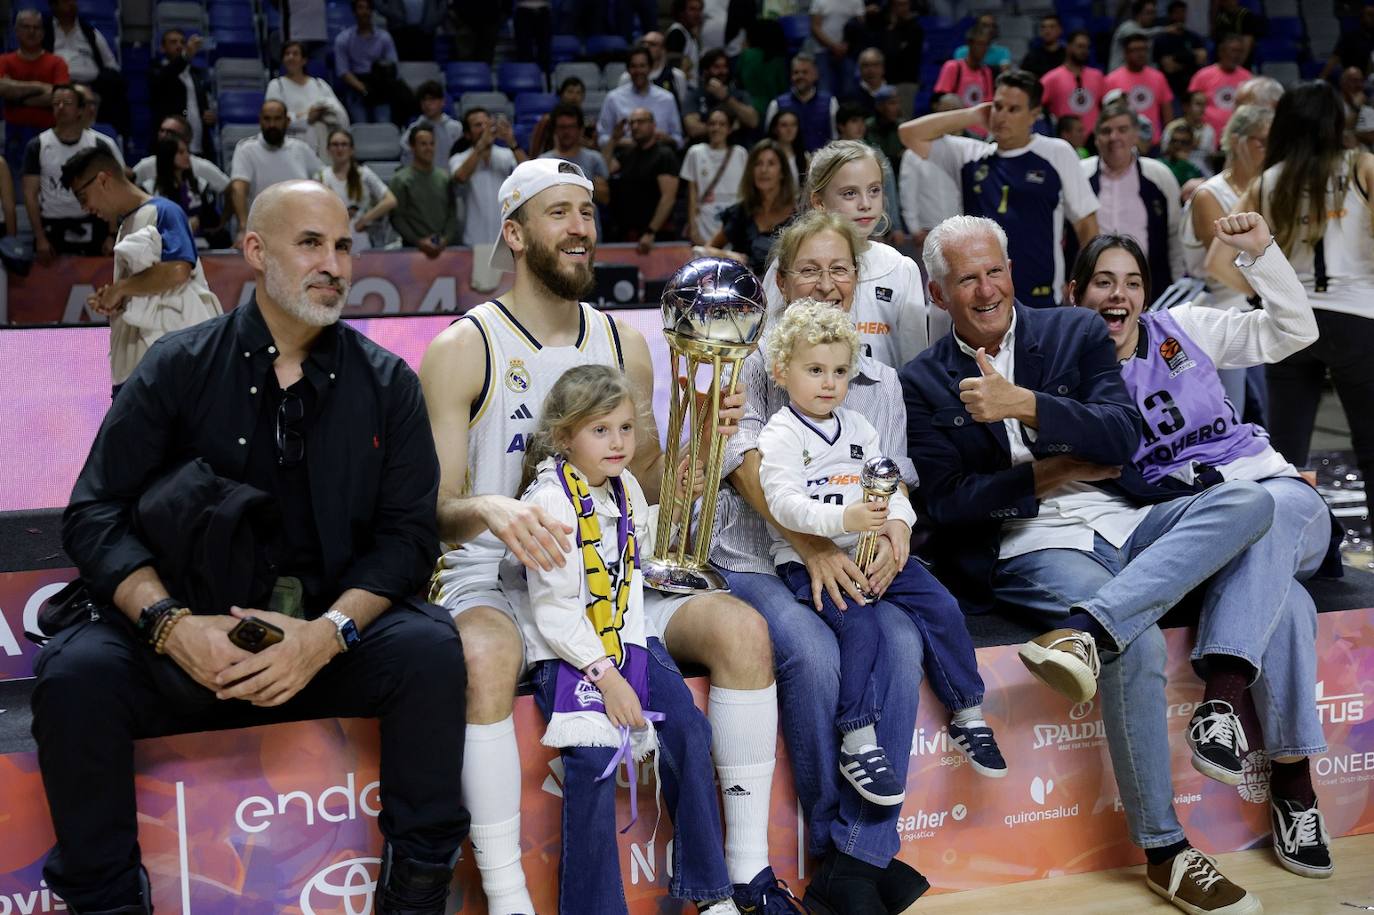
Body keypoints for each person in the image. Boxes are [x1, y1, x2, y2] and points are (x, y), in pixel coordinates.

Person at [34, 178, 469, 915]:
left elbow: (407, 539)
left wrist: (326, 637)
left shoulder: (387, 383)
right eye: (310, 244)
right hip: (183, 639)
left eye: (342, 245)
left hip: (321, 645)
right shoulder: (176, 365)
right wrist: (171, 627)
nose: (333, 263)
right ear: (256, 252)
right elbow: (94, 514)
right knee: (75, 674)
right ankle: (106, 900)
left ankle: (418, 891)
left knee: (427, 649)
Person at [420, 158, 789, 915]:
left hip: (614, 568)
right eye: (559, 214)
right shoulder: (464, 347)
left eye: (586, 213)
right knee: (484, 653)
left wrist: (701, 448)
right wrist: (493, 508)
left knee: (744, 632)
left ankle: (742, 880)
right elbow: (436, 509)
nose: (581, 229)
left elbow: (648, 487)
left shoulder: (625, 341)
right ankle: (509, 897)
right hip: (498, 570)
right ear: (515, 234)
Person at [901, 214, 1280, 915]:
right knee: (1132, 646)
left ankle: (1090, 628)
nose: (987, 289)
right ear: (936, 290)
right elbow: (949, 506)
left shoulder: (1071, 332)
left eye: (996, 270)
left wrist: (1027, 407)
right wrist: (1050, 473)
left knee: (1253, 506)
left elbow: (1121, 434)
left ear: (1013, 269)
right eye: (967, 278)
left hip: (1128, 517)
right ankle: (1167, 851)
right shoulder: (921, 381)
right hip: (1031, 542)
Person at [1069, 219, 1336, 880]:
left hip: (1275, 491)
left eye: (1131, 282)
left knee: (1268, 508)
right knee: (1290, 607)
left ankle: (1222, 697)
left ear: (1145, 295)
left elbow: (1296, 332)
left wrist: (1263, 253)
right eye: (1103, 281)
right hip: (1204, 522)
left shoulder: (1185, 325)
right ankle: (1293, 786)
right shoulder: (1071, 371)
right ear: (1078, 293)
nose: (1117, 293)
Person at [711, 211, 933, 913]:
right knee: (811, 648)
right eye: (810, 268)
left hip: (848, 551)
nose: (827, 282)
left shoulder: (879, 381)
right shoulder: (752, 360)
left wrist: (893, 539)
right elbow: (741, 465)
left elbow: (889, 482)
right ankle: (849, 855)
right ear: (780, 280)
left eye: (841, 268)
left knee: (901, 639)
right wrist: (809, 545)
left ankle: (857, 861)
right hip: (757, 555)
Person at [509, 364, 740, 915]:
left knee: (688, 727)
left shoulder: (628, 486)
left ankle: (712, 895)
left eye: (625, 428)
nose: (618, 443)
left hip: (626, 639)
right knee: (593, 763)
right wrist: (609, 678)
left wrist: (631, 660)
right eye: (600, 430)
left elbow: (633, 566)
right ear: (565, 437)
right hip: (567, 651)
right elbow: (556, 613)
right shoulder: (550, 502)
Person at [759, 299, 1006, 788]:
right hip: (807, 560)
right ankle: (856, 739)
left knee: (942, 607)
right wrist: (843, 518)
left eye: (839, 371)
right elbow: (782, 504)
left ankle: (968, 712)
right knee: (862, 627)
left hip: (872, 552)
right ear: (782, 372)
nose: (829, 383)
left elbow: (890, 490)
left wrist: (898, 525)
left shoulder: (860, 428)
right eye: (814, 370)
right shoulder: (780, 434)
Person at [1216, 81, 1374, 524]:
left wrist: (1263, 292)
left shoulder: (1269, 180)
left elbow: (1218, 260)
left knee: (1285, 454)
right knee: (1371, 447)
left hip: (1291, 322)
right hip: (1359, 319)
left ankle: (1289, 549)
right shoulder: (1362, 165)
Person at [900, 69, 1101, 308]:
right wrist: (973, 115)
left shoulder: (1057, 152)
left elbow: (1086, 225)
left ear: (1034, 115)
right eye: (998, 106)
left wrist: (1084, 285)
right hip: (982, 297)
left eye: (1013, 109)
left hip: (1042, 297)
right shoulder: (970, 155)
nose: (1002, 116)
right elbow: (909, 135)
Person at [64, 146, 221, 389]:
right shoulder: (127, 224)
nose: (85, 208)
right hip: (138, 365)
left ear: (103, 180)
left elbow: (178, 270)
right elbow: (147, 286)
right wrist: (116, 295)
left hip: (166, 367)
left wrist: (122, 288)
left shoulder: (164, 211)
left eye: (82, 197)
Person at [762, 140, 930, 366]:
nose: (865, 203)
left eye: (874, 190)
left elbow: (914, 360)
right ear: (819, 202)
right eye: (850, 193)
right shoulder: (789, 262)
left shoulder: (901, 268)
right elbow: (768, 347)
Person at [1179, 104, 1271, 411]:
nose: (1270, 150)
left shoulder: (1270, 189)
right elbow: (1225, 266)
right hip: (1225, 313)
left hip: (1263, 309)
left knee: (1270, 415)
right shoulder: (1209, 194)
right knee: (1236, 414)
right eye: (1262, 141)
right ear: (1237, 140)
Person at [1079, 97, 1183, 291]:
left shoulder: (1159, 175)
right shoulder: (1080, 174)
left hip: (1151, 284)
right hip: (1092, 285)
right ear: (1096, 138)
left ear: (1136, 135)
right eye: (1106, 131)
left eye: (1122, 130)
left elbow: (1175, 233)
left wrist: (1176, 283)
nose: (1114, 137)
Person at [23, 83, 118, 261]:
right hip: (52, 225)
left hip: (92, 222)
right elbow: (30, 195)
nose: (60, 107)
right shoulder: (38, 145)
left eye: (67, 103)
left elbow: (111, 190)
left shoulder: (97, 144)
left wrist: (112, 234)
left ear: (80, 110)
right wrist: (40, 237)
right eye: (56, 103)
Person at [229, 100, 325, 247]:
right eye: (267, 119)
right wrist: (243, 227)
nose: (272, 125)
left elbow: (324, 183)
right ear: (260, 120)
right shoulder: (246, 149)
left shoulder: (301, 149)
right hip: (261, 233)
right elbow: (238, 190)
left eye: (277, 119)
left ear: (287, 121)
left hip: (301, 232)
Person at [699, 138, 796, 275]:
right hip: (746, 290)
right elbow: (707, 250)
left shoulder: (798, 214)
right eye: (758, 164)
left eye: (771, 164)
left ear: (782, 172)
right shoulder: (741, 212)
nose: (763, 170)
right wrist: (729, 256)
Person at [43, 0, 127, 140]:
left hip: (90, 86)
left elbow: (111, 65)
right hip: (57, 86)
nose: (72, 3)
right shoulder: (45, 32)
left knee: (108, 93)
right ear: (54, 5)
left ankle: (94, 138)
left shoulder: (89, 32)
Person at [0, 9, 69, 178]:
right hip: (13, 134)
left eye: (36, 27)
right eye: (26, 27)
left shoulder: (57, 62)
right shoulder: (4, 61)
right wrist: (40, 86)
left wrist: (17, 97)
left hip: (49, 134)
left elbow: (60, 97)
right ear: (16, 31)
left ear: (43, 32)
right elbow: (2, 88)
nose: (31, 32)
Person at [605, 107, 680, 251]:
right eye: (632, 123)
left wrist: (651, 231)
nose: (635, 126)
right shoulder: (628, 154)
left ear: (653, 125)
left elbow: (668, 198)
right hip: (628, 233)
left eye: (640, 122)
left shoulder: (664, 155)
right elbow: (604, 170)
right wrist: (614, 140)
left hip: (655, 236)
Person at [450, 108, 523, 256]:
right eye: (478, 125)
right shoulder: (459, 158)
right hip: (475, 240)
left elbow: (530, 174)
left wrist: (512, 142)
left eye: (487, 124)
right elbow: (461, 177)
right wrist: (481, 145)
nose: (484, 129)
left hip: (507, 239)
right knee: (479, 280)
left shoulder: (507, 156)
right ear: (467, 134)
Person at [266, 41, 350, 159]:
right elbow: (274, 119)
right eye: (287, 54)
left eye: (295, 54)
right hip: (291, 147)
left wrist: (324, 113)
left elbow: (340, 115)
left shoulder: (320, 84)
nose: (291, 57)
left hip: (322, 146)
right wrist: (307, 117)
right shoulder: (276, 85)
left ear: (304, 60)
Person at [537, 102, 610, 237]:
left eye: (571, 127)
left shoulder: (594, 159)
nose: (566, 132)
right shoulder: (543, 161)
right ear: (555, 130)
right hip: (555, 232)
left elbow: (605, 197)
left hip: (588, 231)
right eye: (562, 127)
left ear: (581, 130)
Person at [144, 134, 229, 248]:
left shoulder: (200, 185)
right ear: (168, 155)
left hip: (200, 244)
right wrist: (185, 225)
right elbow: (147, 225)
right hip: (164, 247)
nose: (187, 156)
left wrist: (199, 221)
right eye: (181, 152)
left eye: (187, 151)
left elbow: (213, 220)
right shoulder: (150, 189)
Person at [317, 128, 396, 250]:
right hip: (332, 238)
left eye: (344, 144)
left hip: (359, 238)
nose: (339, 148)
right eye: (335, 144)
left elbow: (390, 200)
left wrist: (365, 220)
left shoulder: (364, 174)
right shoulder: (321, 176)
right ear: (328, 149)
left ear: (351, 149)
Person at [388, 124, 460, 258]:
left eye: (432, 143)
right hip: (411, 251)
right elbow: (397, 217)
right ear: (412, 146)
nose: (429, 148)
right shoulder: (400, 180)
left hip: (444, 250)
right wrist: (418, 241)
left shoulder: (444, 178)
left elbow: (452, 212)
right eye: (423, 144)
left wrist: (445, 239)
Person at [681, 107, 748, 246]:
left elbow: (746, 191)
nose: (716, 128)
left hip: (733, 222)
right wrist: (693, 228)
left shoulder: (740, 153)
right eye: (712, 124)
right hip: (705, 219)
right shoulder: (695, 152)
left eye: (722, 124)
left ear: (729, 129)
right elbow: (692, 194)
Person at [598, 46, 685, 149]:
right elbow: (602, 138)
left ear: (650, 68)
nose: (638, 71)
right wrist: (623, 142)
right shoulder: (613, 98)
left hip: (659, 154)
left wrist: (667, 139)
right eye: (633, 66)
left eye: (642, 66)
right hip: (624, 154)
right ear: (628, 70)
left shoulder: (667, 98)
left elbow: (679, 140)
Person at [133, 116, 231, 206]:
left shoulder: (201, 168)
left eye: (170, 133)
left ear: (186, 139)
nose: (163, 135)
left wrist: (222, 221)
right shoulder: (145, 167)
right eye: (162, 131)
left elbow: (230, 188)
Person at [148, 28, 214, 159]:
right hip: (171, 146)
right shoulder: (157, 70)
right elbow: (166, 77)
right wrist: (186, 56)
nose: (179, 45)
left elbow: (202, 105)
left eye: (182, 42)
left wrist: (209, 117)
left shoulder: (196, 74)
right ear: (163, 48)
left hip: (199, 145)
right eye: (173, 42)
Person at [334, 0, 402, 125]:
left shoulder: (384, 37)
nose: (364, 12)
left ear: (372, 11)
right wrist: (363, 89)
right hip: (356, 84)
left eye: (367, 8)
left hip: (381, 84)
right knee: (360, 124)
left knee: (384, 123)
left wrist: (377, 88)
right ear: (354, 12)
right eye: (360, 8)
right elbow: (343, 71)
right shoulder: (343, 39)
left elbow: (392, 65)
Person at [1105, 33, 1174, 145]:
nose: (1140, 54)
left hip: (1153, 143)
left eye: (1143, 49)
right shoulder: (1112, 79)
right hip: (1124, 142)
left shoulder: (1158, 77)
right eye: (1135, 50)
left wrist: (1167, 139)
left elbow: (1167, 114)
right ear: (1125, 53)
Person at [764, 54, 839, 154]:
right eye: (796, 72)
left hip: (822, 163)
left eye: (805, 72)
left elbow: (836, 139)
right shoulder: (777, 104)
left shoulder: (830, 102)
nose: (800, 76)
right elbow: (770, 141)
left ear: (815, 74)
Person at [684, 48, 759, 143]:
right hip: (704, 148)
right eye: (716, 67)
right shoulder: (694, 95)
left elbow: (753, 121)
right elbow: (693, 129)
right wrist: (729, 127)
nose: (722, 71)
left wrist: (726, 98)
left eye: (725, 67)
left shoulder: (740, 95)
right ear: (705, 71)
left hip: (736, 147)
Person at [1188, 34, 1252, 141]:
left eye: (1240, 51)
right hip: (1206, 138)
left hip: (1236, 137)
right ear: (1221, 52)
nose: (1236, 55)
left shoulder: (1248, 78)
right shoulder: (1202, 75)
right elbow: (1191, 106)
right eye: (1233, 50)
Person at [1040, 30, 1107, 133]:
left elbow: (1106, 106)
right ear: (1068, 47)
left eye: (1087, 47)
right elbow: (1036, 103)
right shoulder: (1052, 78)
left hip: (1094, 139)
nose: (1084, 50)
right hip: (1064, 139)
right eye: (1080, 46)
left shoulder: (1097, 76)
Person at [933, 26, 996, 116]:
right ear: (969, 44)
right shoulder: (952, 67)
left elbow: (988, 102)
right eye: (980, 44)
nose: (984, 49)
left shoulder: (986, 72)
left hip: (979, 126)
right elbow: (942, 100)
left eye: (986, 45)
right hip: (957, 124)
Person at [1154, 0, 1207, 105]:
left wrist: (1176, 59)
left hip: (1191, 87)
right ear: (1170, 15)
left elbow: (1202, 59)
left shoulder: (1193, 37)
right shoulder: (1162, 39)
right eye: (1177, 12)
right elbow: (1168, 67)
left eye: (1183, 12)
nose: (1180, 16)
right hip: (1171, 87)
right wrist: (1191, 58)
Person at [737, 20, 791, 123]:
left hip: (748, 107)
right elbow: (783, 89)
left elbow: (738, 81)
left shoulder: (747, 55)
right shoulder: (779, 60)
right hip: (774, 110)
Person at [807, 0, 863, 97]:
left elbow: (860, 25)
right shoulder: (819, 1)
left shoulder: (857, 1)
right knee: (824, 89)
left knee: (850, 89)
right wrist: (833, 46)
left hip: (848, 51)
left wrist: (847, 45)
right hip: (822, 50)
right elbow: (815, 27)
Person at [529, 76, 595, 157]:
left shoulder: (589, 124)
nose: (574, 97)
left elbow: (595, 150)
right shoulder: (547, 121)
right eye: (570, 92)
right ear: (561, 95)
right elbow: (535, 150)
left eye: (578, 93)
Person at [401, 80, 463, 165]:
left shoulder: (456, 128)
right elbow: (407, 160)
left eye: (432, 99)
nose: (427, 104)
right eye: (424, 100)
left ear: (442, 102)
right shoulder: (413, 130)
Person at [626, 31, 691, 107]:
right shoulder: (629, 75)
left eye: (652, 44)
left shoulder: (676, 75)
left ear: (663, 49)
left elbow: (681, 104)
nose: (646, 47)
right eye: (644, 43)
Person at [1321, 3, 1374, 81]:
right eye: (1370, 15)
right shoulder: (1350, 37)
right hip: (1353, 81)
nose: (1373, 19)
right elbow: (1334, 60)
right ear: (1362, 17)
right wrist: (1321, 80)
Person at [1107, 0, 1162, 73]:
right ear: (1138, 14)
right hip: (1118, 75)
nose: (1153, 16)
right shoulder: (1126, 27)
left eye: (1154, 13)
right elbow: (1139, 35)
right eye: (1149, 13)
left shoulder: (1149, 34)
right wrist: (1166, 29)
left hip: (1139, 75)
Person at [1212, 0, 1266, 70]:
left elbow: (1247, 42)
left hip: (1240, 62)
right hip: (1222, 62)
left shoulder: (1246, 15)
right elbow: (1218, 42)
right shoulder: (1220, 16)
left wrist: (1237, 68)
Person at [768, 108, 809, 194]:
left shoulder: (805, 157)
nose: (789, 129)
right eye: (784, 125)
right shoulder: (766, 156)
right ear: (775, 129)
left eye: (794, 125)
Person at [665, 0, 705, 81]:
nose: (697, 14)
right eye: (692, 9)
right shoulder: (676, 33)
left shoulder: (689, 33)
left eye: (699, 9)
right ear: (681, 12)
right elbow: (673, 66)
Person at [846, 47, 891, 117]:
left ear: (883, 68)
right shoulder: (851, 97)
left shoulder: (894, 93)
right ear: (860, 70)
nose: (871, 70)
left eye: (875, 65)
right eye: (866, 65)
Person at [1159, 120, 1204, 187]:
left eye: (1183, 142)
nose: (1177, 145)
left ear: (1191, 145)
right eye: (1174, 141)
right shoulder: (1160, 164)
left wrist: (1183, 163)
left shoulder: (1198, 166)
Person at [1020, 14, 1066, 79]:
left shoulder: (1068, 56)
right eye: (1043, 27)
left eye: (1052, 27)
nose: (1047, 31)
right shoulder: (1032, 56)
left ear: (1060, 30)